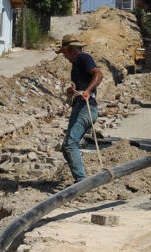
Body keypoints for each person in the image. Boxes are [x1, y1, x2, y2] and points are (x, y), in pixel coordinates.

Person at [56, 33, 104, 183]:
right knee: (66, 146)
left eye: (64, 52)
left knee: (70, 145)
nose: (64, 56)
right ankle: (79, 180)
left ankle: (82, 181)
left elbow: (99, 74)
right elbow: (82, 84)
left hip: (86, 107)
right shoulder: (76, 65)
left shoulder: (84, 58)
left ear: (70, 49)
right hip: (80, 106)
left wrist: (88, 91)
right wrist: (73, 91)